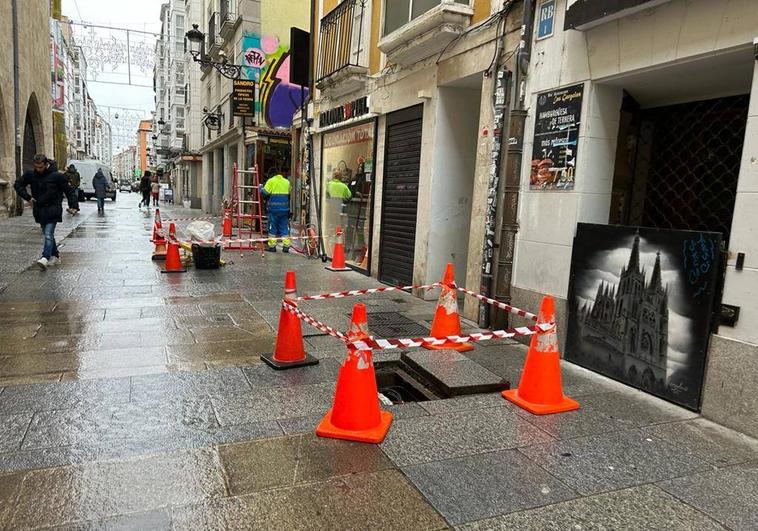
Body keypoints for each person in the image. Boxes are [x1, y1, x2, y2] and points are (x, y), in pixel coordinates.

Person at [13, 154, 76, 270]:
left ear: (46, 165)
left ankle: (45, 257)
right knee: (48, 234)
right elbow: (17, 185)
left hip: (53, 209)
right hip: (39, 209)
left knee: (48, 233)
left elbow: (69, 191)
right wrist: (28, 197)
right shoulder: (30, 175)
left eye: (41, 167)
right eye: (36, 167)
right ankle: (56, 255)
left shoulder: (57, 176)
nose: (38, 170)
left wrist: (73, 206)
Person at [260, 171, 291, 253]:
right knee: (284, 227)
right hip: (284, 210)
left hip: (274, 210)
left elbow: (265, 193)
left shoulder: (271, 181)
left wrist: (260, 188)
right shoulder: (287, 182)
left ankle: (272, 246)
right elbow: (289, 192)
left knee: (272, 228)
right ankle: (286, 246)